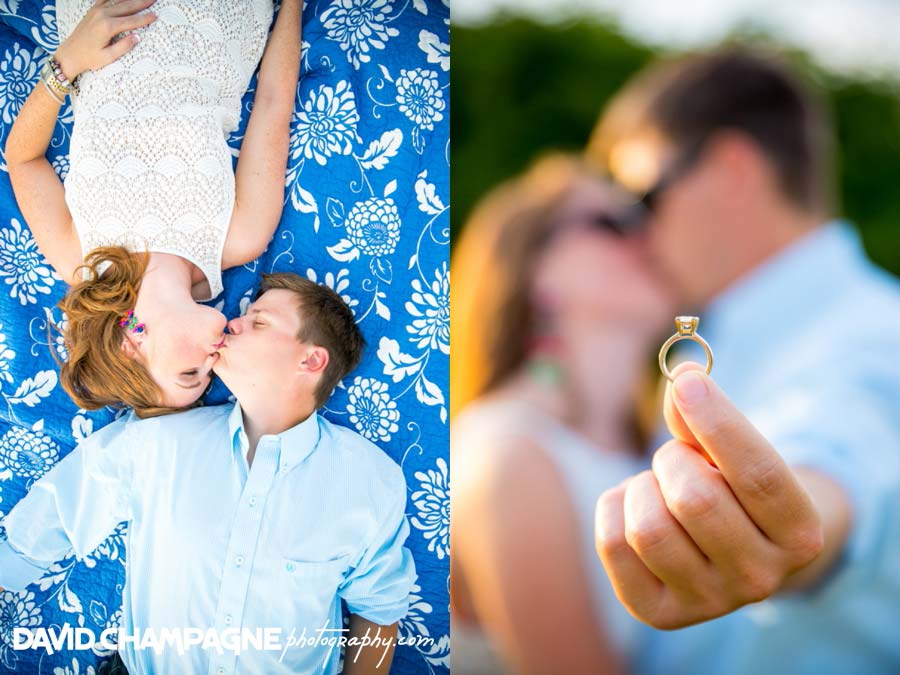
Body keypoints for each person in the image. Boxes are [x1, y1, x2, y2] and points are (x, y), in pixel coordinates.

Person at [588, 48, 900, 673]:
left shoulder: (873, 332)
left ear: (732, 166)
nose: (636, 238)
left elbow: (837, 441)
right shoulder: (717, 331)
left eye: (643, 201)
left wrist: (794, 524)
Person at [0, 273, 416, 674]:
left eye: (258, 321)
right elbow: (52, 517)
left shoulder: (370, 482)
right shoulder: (157, 442)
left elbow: (379, 611)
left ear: (311, 359)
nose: (231, 322)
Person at [3, 0, 301, 416]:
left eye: (189, 374)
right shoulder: (240, 236)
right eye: (207, 378)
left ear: (131, 346)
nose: (213, 364)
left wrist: (66, 63)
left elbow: (22, 160)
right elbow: (273, 102)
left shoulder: (82, 259)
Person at [450, 153, 674, 674]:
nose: (650, 236)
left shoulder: (657, 441)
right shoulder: (507, 457)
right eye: (612, 222)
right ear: (536, 270)